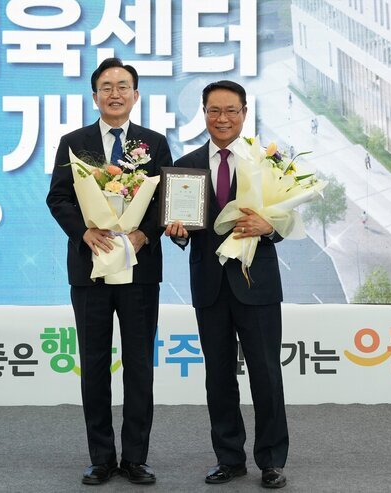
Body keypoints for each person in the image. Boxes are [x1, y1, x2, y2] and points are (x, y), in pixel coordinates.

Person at [46, 58, 173, 486]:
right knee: (95, 363)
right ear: (94, 95)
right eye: (106, 86)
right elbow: (58, 198)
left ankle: (135, 458)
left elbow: (166, 200)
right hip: (90, 271)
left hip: (140, 271)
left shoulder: (154, 143)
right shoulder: (73, 143)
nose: (114, 93)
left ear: (135, 95)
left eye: (122, 86)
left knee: (139, 366)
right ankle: (101, 458)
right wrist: (83, 232)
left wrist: (143, 234)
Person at [165, 80, 289, 489]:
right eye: (214, 111)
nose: (222, 119)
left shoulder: (266, 161)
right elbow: (185, 229)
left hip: (257, 285)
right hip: (210, 286)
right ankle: (229, 458)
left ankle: (272, 461)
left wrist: (269, 227)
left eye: (231, 110)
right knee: (218, 377)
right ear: (203, 114)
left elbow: (286, 218)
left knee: (266, 375)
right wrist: (178, 233)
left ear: (244, 113)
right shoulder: (186, 166)